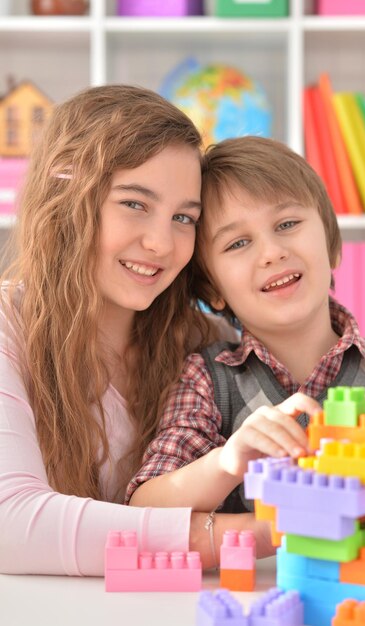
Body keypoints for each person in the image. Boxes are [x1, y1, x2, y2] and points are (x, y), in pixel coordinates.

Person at [0, 84, 245, 576]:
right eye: (134, 203)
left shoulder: (209, 343)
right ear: (68, 196)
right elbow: (11, 525)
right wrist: (244, 537)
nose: (160, 242)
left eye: (183, 217)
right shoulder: (10, 326)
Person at [128, 136, 365, 519]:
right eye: (238, 243)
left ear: (330, 243)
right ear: (213, 289)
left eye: (287, 224)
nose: (271, 252)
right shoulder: (207, 381)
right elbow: (143, 508)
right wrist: (228, 461)